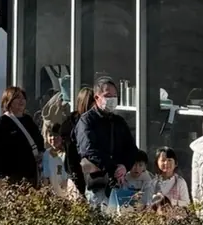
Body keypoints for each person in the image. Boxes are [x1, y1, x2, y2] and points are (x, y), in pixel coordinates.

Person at [74, 78, 138, 207]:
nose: (112, 99)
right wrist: (112, 167)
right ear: (97, 97)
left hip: (120, 183)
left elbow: (132, 149)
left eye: (115, 96)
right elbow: (89, 150)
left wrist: (124, 166)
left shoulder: (119, 121)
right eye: (108, 96)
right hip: (98, 185)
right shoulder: (87, 121)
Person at [0, 86, 44, 187]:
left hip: (31, 175)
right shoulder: (1, 123)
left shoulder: (28, 120)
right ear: (8, 101)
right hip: (10, 176)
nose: (21, 101)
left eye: (23, 98)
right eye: (17, 98)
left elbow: (39, 141)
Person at [60, 87, 94, 199]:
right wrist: (76, 181)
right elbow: (71, 158)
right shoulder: (73, 126)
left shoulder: (95, 122)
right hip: (77, 174)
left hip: (93, 176)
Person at [41, 123, 68, 194]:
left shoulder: (66, 153)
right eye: (50, 135)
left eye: (56, 135)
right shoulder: (47, 154)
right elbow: (46, 174)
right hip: (53, 191)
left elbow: (61, 171)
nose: (53, 138)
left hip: (68, 189)